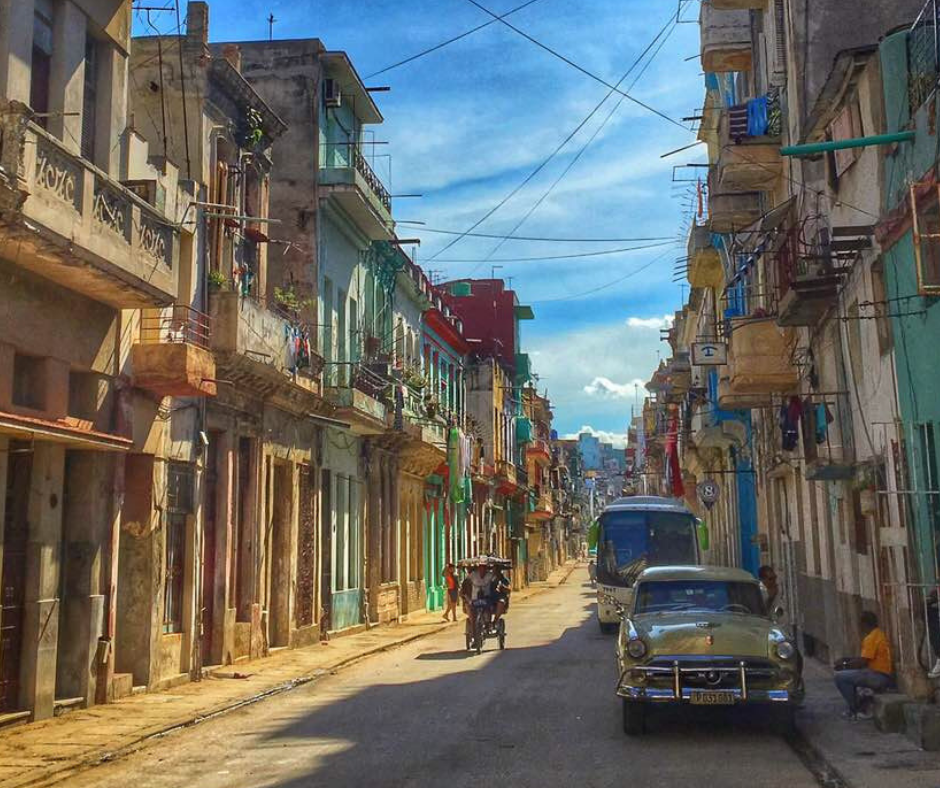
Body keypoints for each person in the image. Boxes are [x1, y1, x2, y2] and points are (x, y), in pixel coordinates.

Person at [834, 611, 893, 720]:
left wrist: (844, 665)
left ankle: (856, 709)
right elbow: (864, 657)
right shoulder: (878, 634)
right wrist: (847, 659)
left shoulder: (871, 638)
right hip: (880, 674)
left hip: (878, 676)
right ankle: (862, 705)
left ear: (864, 624)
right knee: (853, 675)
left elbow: (862, 662)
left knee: (840, 677)